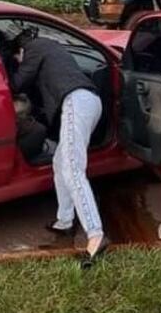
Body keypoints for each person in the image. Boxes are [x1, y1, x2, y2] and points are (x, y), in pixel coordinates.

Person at [9, 26, 109, 262]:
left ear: (20, 50)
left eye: (17, 58)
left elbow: (19, 82)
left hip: (76, 101)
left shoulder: (34, 48)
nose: (20, 61)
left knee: (73, 169)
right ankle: (64, 221)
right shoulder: (49, 47)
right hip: (87, 101)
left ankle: (95, 235)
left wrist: (6, 73)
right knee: (59, 161)